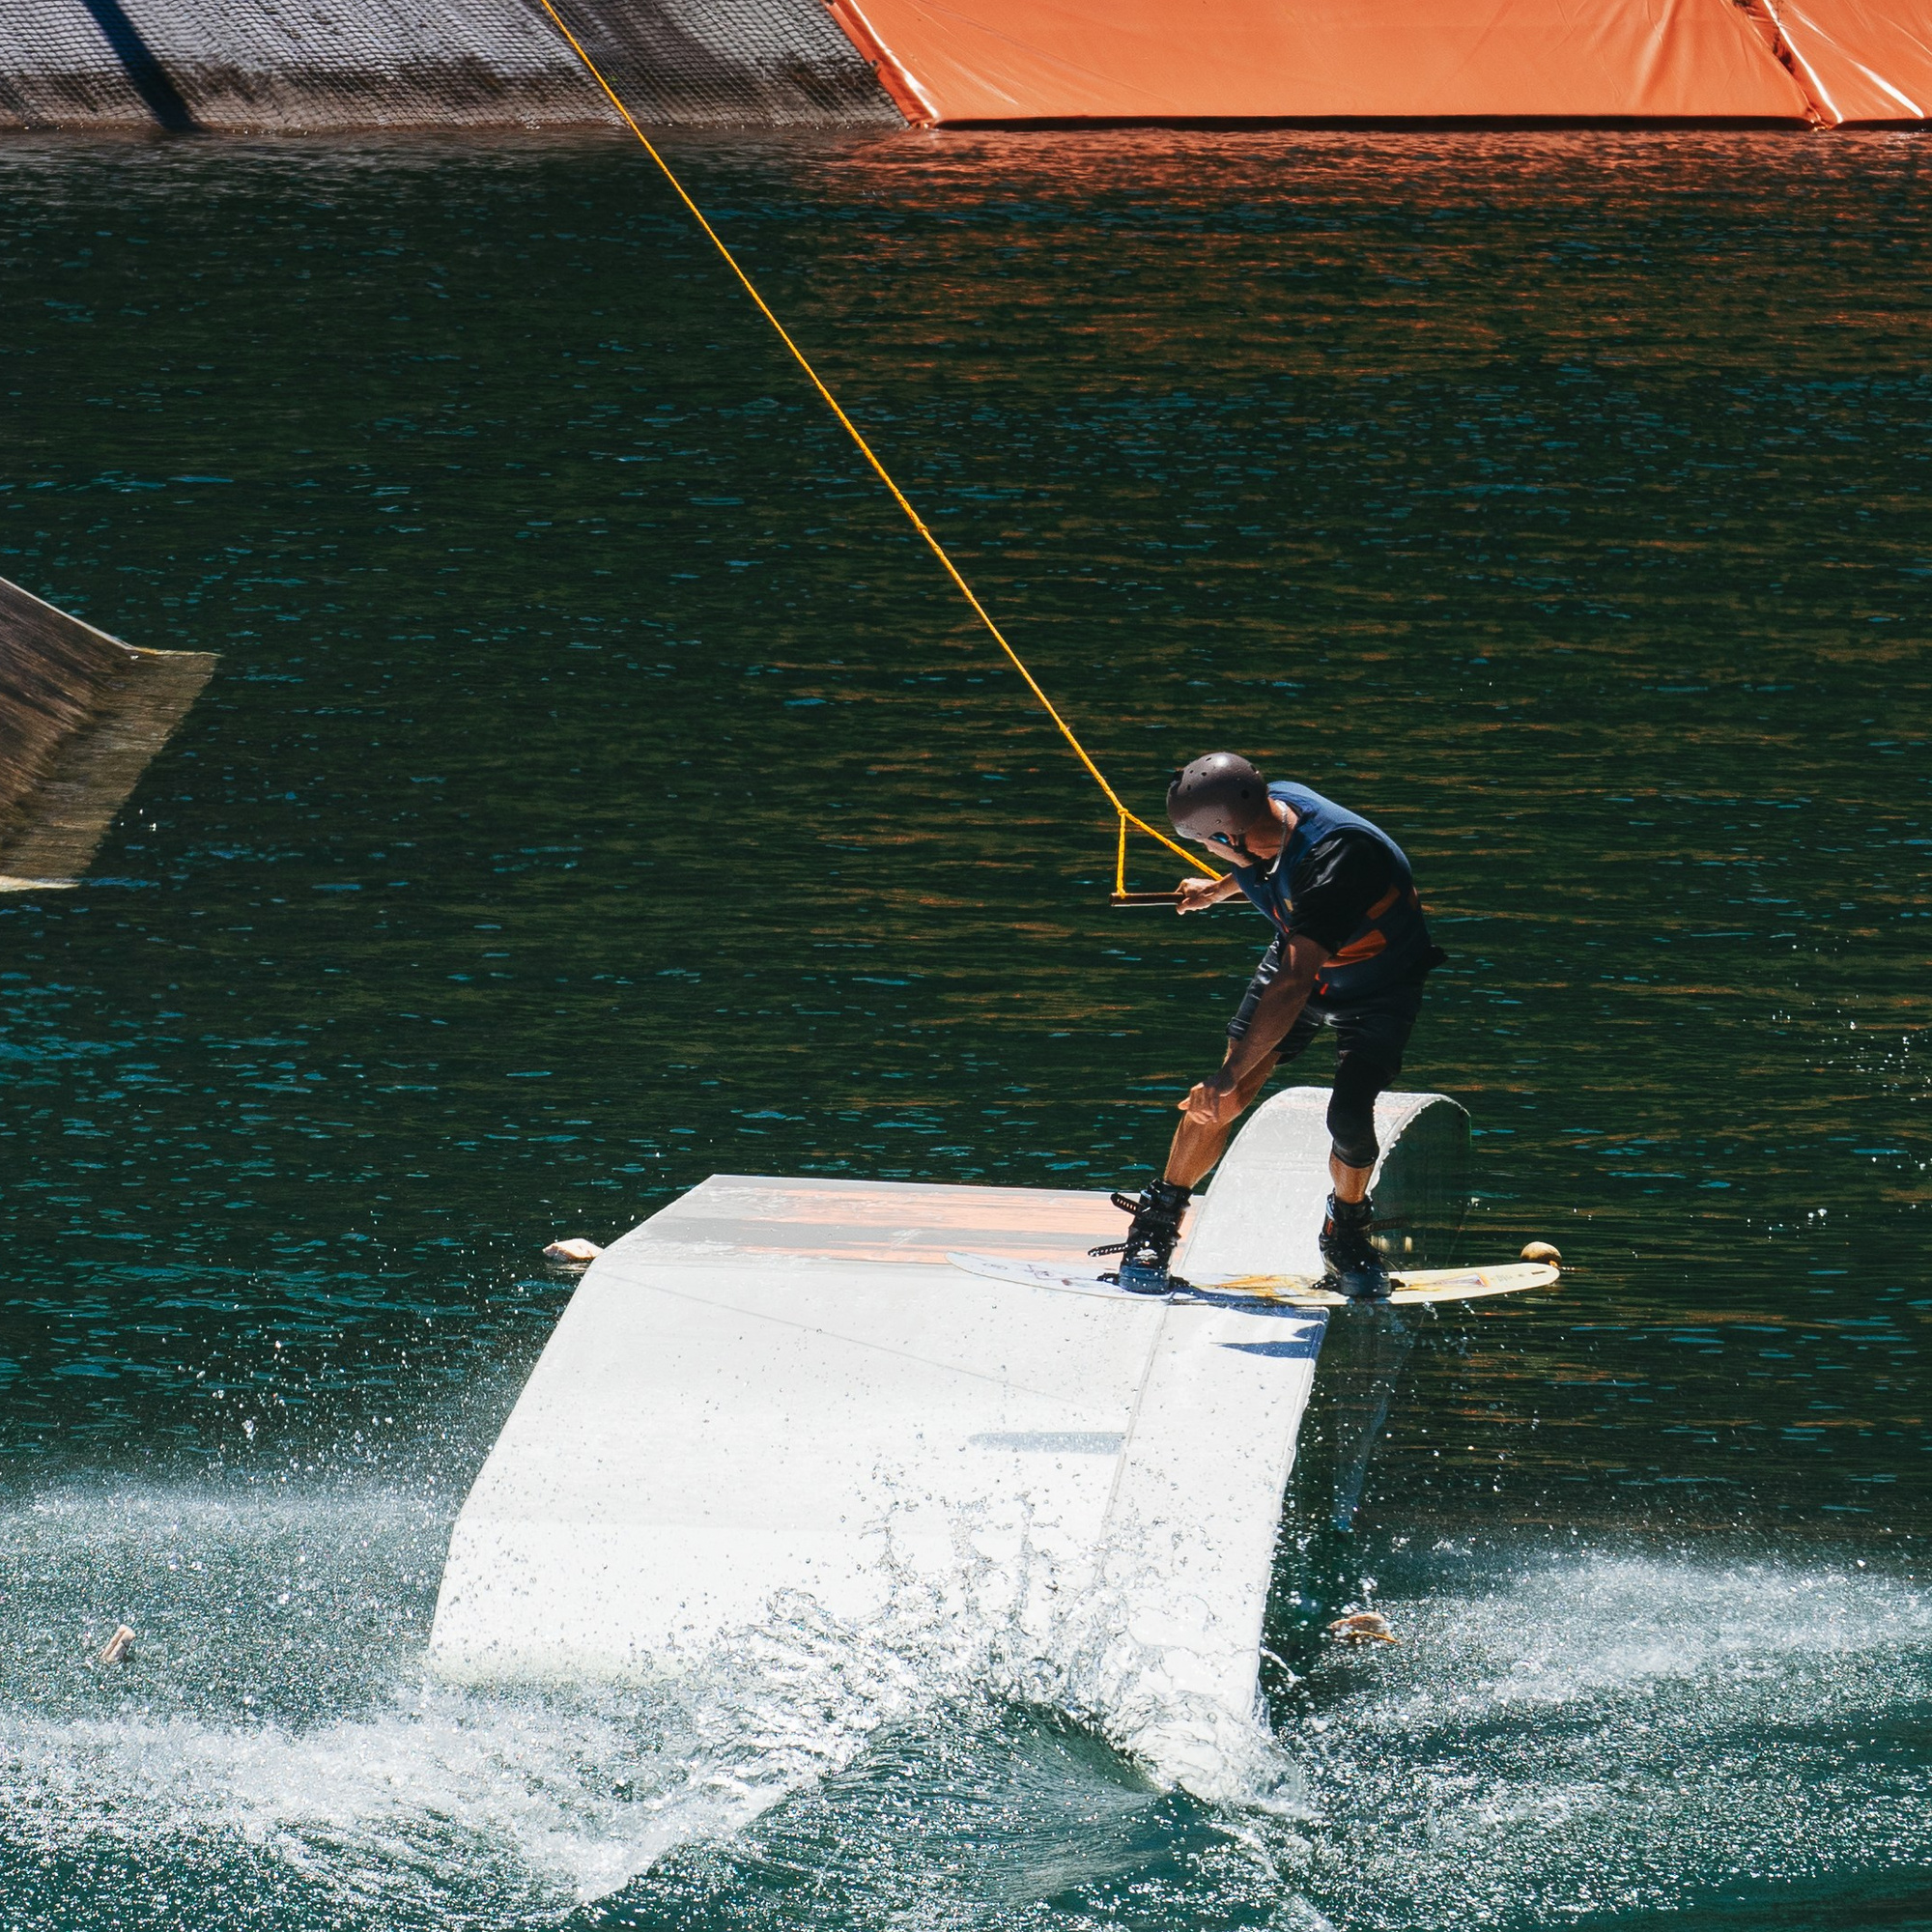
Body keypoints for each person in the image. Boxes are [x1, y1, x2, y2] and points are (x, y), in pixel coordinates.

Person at [1092, 752, 1445, 1300]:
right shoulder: (1266, 806)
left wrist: (1232, 1070)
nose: (1206, 852)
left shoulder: (1340, 858)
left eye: (1205, 845)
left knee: (1348, 1118)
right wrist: (1216, 890)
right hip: (1299, 966)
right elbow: (1265, 871)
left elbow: (1294, 981)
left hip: (1377, 988)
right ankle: (1156, 1226)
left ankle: (1347, 1232)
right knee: (1222, 1102)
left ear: (1230, 837)